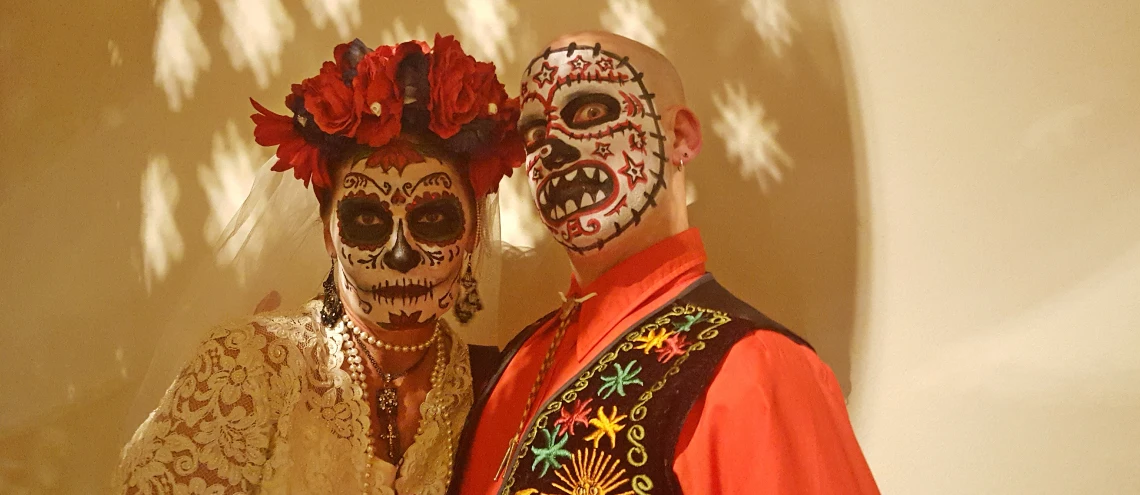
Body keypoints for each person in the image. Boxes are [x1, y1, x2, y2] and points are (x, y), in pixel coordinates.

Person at [450, 31, 879, 495]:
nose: (551, 150)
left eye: (591, 113)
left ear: (679, 137)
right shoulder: (517, 363)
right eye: (535, 134)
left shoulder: (754, 369)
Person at [113, 34, 523, 494]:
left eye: (432, 220)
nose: (400, 254)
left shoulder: (492, 391)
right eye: (366, 219)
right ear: (328, 232)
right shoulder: (250, 368)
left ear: (471, 233)